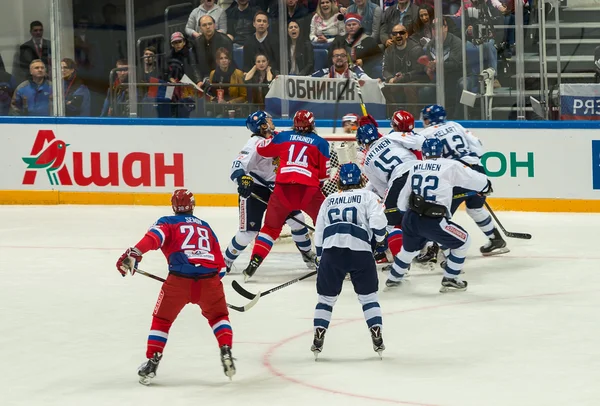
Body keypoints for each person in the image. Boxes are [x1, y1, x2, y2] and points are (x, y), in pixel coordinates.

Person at [115, 189, 235, 385]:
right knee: (219, 317)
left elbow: (153, 239)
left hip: (179, 281)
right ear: (193, 205)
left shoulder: (167, 222)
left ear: (173, 206)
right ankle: (226, 351)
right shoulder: (206, 227)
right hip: (210, 280)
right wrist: (210, 288)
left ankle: (152, 363)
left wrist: (135, 253)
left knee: (162, 320)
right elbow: (221, 268)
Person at [384, 138, 493, 292]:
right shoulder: (450, 165)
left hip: (410, 218)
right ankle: (451, 278)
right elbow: (476, 180)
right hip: (434, 220)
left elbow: (403, 199)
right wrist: (486, 186)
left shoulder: (415, 167)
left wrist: (408, 215)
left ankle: (393, 279)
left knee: (408, 251)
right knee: (464, 242)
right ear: (441, 152)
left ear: (423, 153)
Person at [241, 110, 330, 280]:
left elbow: (261, 149)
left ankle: (254, 262)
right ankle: (324, 260)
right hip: (308, 190)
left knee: (270, 228)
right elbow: (324, 176)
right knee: (325, 224)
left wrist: (271, 138)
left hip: (282, 189)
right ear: (312, 124)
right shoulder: (321, 143)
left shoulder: (283, 136)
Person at [311, 163, 388, 358]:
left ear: (339, 182)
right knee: (369, 297)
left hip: (331, 251)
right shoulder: (369, 196)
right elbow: (379, 224)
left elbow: (319, 231)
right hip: (360, 250)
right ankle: (375, 330)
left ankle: (319, 332)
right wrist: (379, 242)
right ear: (361, 179)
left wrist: (321, 257)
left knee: (326, 299)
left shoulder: (329, 200)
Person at [225, 111, 315, 272]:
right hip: (256, 189)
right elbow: (237, 166)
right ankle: (225, 260)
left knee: (297, 218)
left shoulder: (278, 137)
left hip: (278, 188)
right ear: (263, 125)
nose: (272, 121)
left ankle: (308, 255)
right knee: (248, 232)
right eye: (268, 120)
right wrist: (242, 180)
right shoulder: (254, 144)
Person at [418, 104, 509, 259]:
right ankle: (496, 239)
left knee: (439, 214)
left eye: (425, 119)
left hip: (456, 175)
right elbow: (479, 147)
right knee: (475, 209)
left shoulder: (425, 134)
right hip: (477, 170)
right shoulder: (455, 125)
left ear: (429, 120)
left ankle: (438, 251)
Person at [357, 110, 424, 266]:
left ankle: (399, 262)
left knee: (390, 219)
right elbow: (418, 144)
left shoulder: (367, 162)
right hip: (423, 172)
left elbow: (382, 189)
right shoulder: (391, 137)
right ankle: (438, 249)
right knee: (428, 212)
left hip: (399, 178)